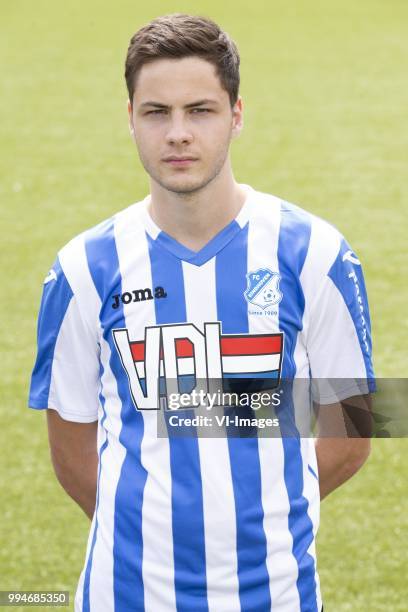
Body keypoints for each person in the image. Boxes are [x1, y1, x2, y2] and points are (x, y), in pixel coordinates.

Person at [28, 13, 375, 612]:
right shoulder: (82, 269)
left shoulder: (319, 254)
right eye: (156, 112)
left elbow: (352, 432)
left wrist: (265, 509)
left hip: (277, 593)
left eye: (201, 110)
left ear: (237, 115)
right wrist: (151, 530)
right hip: (125, 593)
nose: (178, 134)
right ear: (130, 119)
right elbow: (71, 450)